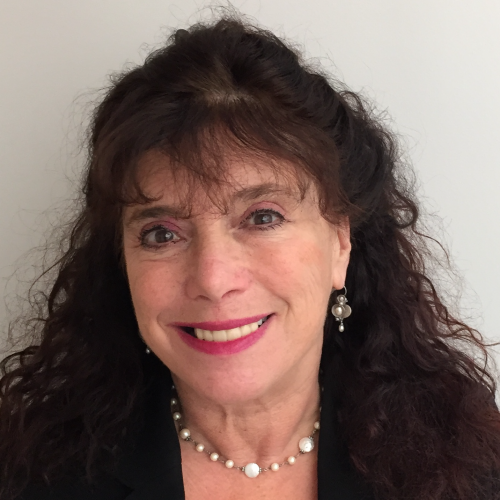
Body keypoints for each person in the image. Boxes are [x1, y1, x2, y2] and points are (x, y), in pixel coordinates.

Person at [1, 14, 499, 500]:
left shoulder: (473, 470)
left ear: (340, 242)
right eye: (161, 234)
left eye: (262, 217)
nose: (213, 279)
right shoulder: (30, 477)